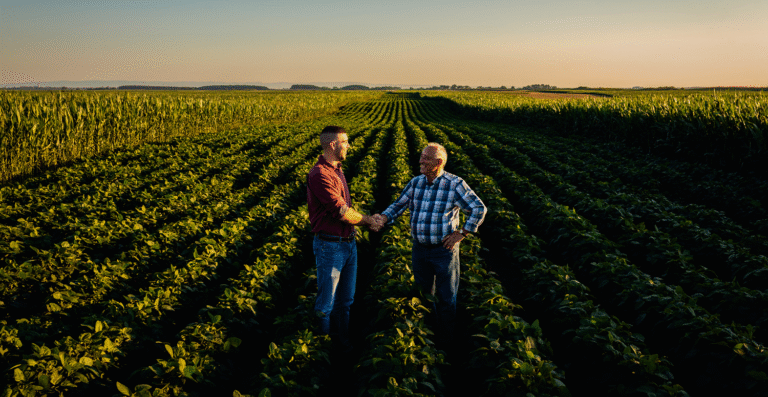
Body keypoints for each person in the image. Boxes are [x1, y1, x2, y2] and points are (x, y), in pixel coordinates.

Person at [373, 142, 486, 347]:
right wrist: (382, 218)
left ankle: (445, 342)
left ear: (439, 162)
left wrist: (462, 233)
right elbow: (398, 205)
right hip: (420, 249)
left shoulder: (454, 184)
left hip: (444, 251)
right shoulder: (416, 183)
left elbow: (478, 208)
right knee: (424, 295)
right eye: (421, 156)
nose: (420, 161)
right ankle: (426, 337)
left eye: (426, 158)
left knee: (446, 298)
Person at [307, 125, 378, 353]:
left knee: (345, 301)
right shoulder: (319, 174)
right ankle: (322, 352)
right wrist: (369, 221)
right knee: (326, 304)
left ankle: (343, 344)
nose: (349, 145)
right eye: (345, 142)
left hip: (347, 246)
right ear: (332, 145)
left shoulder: (337, 169)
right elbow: (341, 212)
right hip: (331, 248)